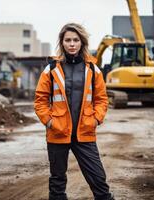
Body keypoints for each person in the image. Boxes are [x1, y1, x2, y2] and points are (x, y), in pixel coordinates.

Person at [34, 23, 114, 200]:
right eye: (68, 40)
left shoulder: (93, 70)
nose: (72, 44)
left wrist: (95, 120)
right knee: (57, 181)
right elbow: (40, 100)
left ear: (82, 42)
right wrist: (50, 122)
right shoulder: (51, 69)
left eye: (76, 40)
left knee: (98, 179)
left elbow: (101, 100)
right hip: (58, 132)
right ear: (62, 43)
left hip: (84, 132)